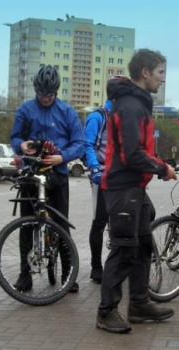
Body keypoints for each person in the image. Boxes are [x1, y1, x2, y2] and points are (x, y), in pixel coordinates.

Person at [96, 50, 177, 334]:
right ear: (144, 72)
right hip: (122, 188)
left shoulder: (139, 103)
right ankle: (106, 312)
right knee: (124, 250)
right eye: (160, 73)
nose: (163, 79)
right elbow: (131, 154)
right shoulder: (130, 105)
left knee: (142, 246)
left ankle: (139, 304)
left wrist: (157, 166)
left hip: (135, 189)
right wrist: (162, 167)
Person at [10, 64, 85, 293]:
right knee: (27, 225)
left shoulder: (67, 112)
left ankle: (67, 274)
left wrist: (61, 158)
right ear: (36, 90)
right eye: (42, 94)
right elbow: (15, 138)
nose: (45, 98)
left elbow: (80, 143)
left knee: (61, 224)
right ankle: (25, 274)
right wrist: (21, 145)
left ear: (56, 92)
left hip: (57, 175)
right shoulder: (25, 109)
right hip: (31, 174)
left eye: (50, 94)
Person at [84, 99, 113, 284]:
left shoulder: (126, 116)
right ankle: (96, 267)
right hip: (102, 174)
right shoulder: (98, 117)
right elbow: (87, 145)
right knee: (100, 220)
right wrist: (95, 168)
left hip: (121, 175)